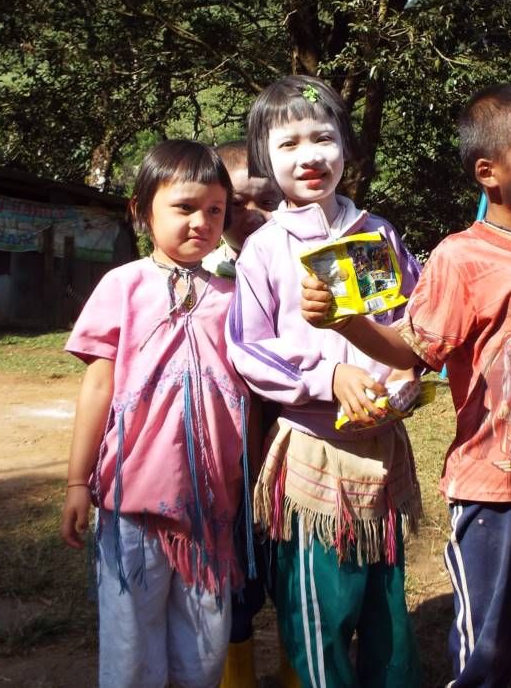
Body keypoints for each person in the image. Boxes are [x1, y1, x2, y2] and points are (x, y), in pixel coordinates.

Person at [301, 82, 511, 687]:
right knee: (486, 646)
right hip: (493, 482)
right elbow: (413, 350)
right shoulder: (460, 257)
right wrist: (345, 320)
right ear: (488, 172)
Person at [226, 75, 424, 688]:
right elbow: (249, 349)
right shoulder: (263, 249)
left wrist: (401, 384)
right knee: (319, 614)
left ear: (346, 146)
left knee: (387, 607)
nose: (308, 156)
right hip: (313, 457)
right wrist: (327, 376)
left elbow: (413, 324)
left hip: (381, 449)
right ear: (265, 160)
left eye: (322, 138)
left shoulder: (377, 233)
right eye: (288, 144)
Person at [59, 139, 253, 688]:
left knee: (204, 650)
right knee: (131, 646)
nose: (202, 222)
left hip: (211, 509)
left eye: (215, 210)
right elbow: (98, 386)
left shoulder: (235, 296)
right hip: (133, 506)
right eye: (184, 207)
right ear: (142, 210)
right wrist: (76, 482)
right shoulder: (122, 286)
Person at [201, 139, 291, 688]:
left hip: (297, 451)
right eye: (235, 204)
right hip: (231, 462)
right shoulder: (209, 282)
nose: (251, 213)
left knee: (293, 576)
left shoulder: (307, 270)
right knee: (233, 577)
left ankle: (297, 672)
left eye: (266, 200)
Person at [204, 140, 283, 279]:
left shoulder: (301, 264)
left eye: (267, 202)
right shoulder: (206, 276)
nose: (254, 218)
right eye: (237, 203)